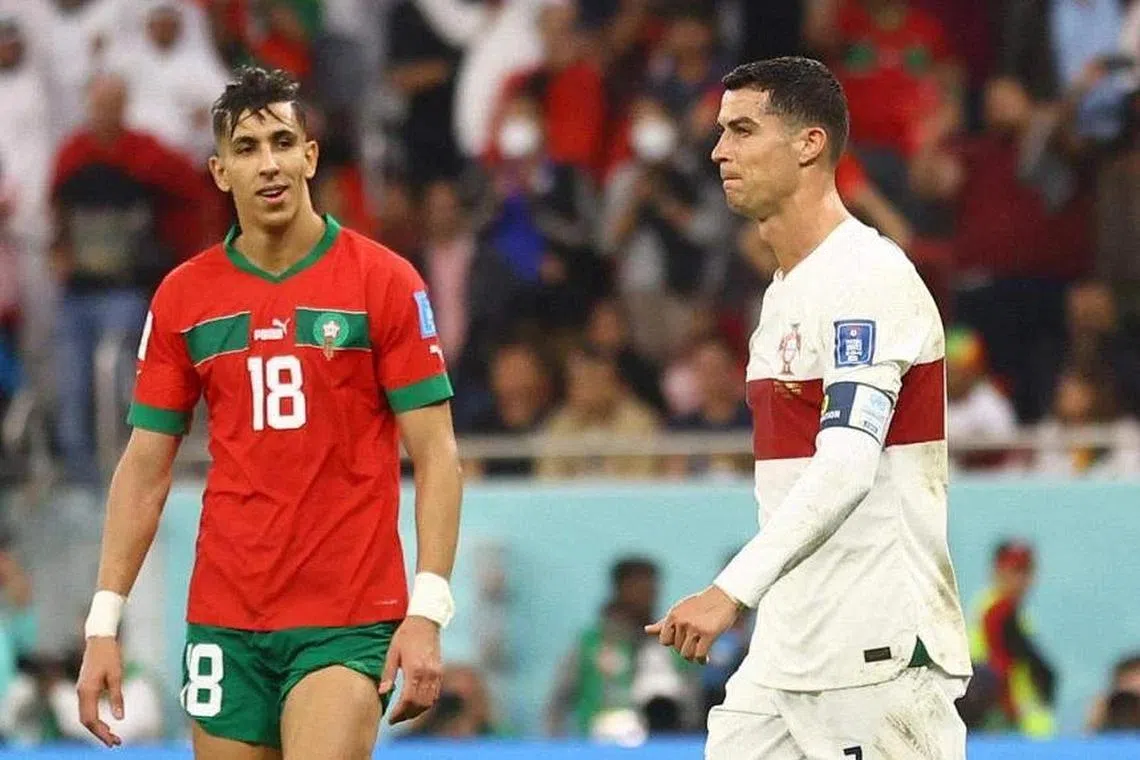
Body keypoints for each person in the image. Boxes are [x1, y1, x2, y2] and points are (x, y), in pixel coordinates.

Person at [74, 67, 464, 759]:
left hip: (347, 616)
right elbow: (144, 468)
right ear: (220, 173)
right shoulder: (183, 299)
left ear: (310, 156)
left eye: (283, 141)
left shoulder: (384, 282)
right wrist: (104, 622)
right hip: (226, 617)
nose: (269, 162)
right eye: (248, 149)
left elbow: (436, 456)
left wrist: (428, 609)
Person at [647, 57, 972, 759]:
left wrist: (729, 591)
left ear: (809, 144)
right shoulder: (785, 294)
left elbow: (848, 464)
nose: (718, 151)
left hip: (875, 655)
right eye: (719, 132)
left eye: (741, 130)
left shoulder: (866, 278)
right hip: (789, 651)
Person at [968, 541, 1056, 737]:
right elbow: (1002, 668)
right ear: (996, 571)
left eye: (1025, 571)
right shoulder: (998, 611)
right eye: (1013, 570)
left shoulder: (1008, 611)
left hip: (1017, 722)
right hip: (1004, 721)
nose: (1020, 579)